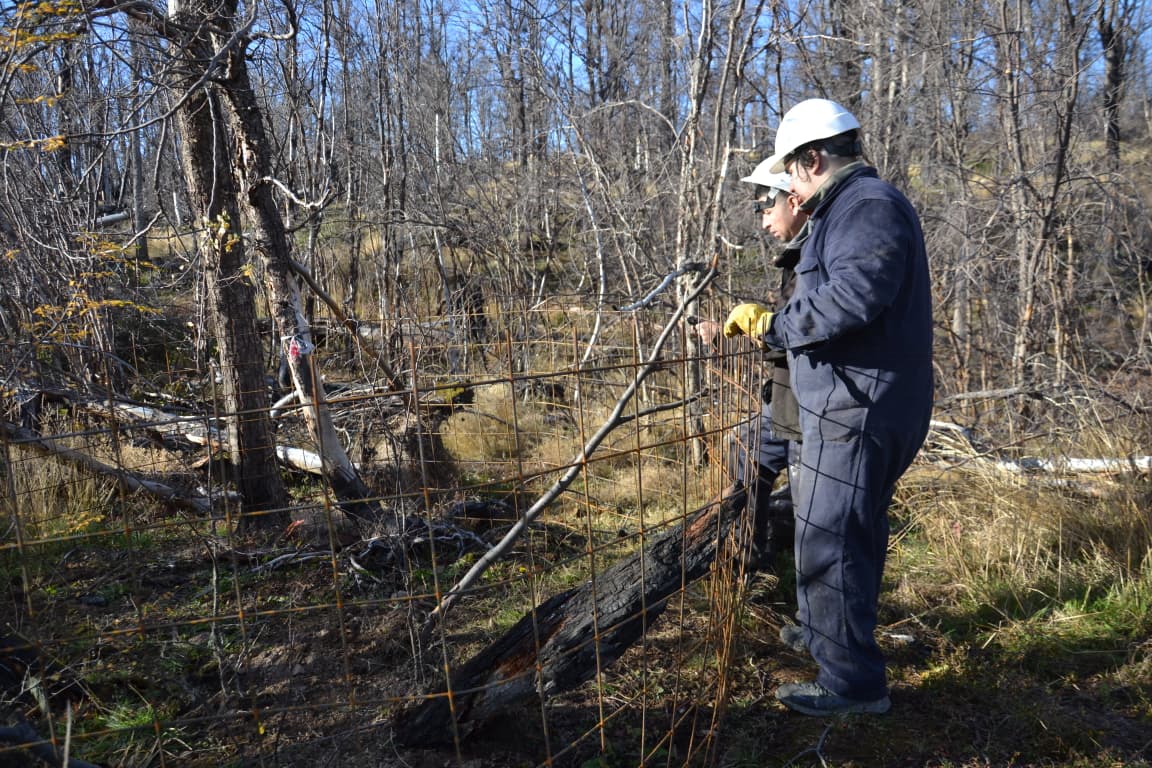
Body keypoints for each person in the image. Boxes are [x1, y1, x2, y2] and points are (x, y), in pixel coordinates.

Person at [723, 98, 933, 716]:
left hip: (857, 405)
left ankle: (851, 684)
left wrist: (776, 325)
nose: (785, 184)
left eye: (790, 170)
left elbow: (855, 295)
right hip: (851, 400)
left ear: (812, 160)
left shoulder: (867, 208)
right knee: (840, 530)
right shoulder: (849, 210)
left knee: (831, 538)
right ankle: (827, 636)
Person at [725, 164, 808, 575]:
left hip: (812, 407)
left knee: (814, 504)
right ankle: (746, 561)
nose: (764, 219)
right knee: (746, 447)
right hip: (791, 399)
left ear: (794, 198)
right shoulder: (800, 254)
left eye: (766, 205)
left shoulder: (816, 250)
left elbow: (812, 331)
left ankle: (811, 603)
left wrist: (767, 328)